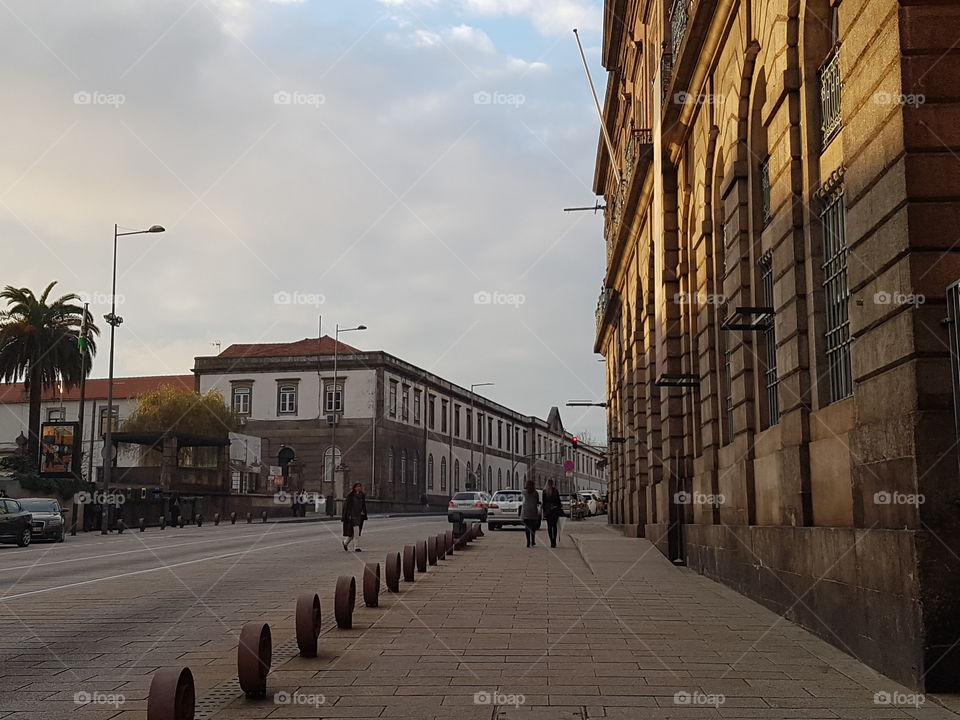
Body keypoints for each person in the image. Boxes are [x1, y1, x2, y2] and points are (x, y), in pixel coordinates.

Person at [342, 482, 368, 552]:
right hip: (352, 516)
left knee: (353, 534)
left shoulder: (362, 495)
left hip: (359, 516)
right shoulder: (351, 496)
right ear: (354, 488)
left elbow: (363, 505)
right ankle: (356, 547)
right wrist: (348, 515)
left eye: (360, 486)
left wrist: (363, 512)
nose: (359, 488)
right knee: (355, 533)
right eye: (357, 486)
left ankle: (345, 543)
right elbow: (347, 506)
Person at [542, 478, 563, 548]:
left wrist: (544, 511)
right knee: (554, 526)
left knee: (549, 527)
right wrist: (559, 507)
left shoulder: (545, 491)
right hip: (555, 510)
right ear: (553, 484)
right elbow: (558, 501)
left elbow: (543, 502)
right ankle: (554, 541)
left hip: (548, 511)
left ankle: (551, 541)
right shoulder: (555, 491)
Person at [520, 479, 540, 548]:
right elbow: (537, 502)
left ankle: (528, 542)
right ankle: (533, 541)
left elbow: (521, 500)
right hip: (533, 511)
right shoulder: (535, 493)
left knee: (527, 527)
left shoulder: (524, 492)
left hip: (526, 512)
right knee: (533, 527)